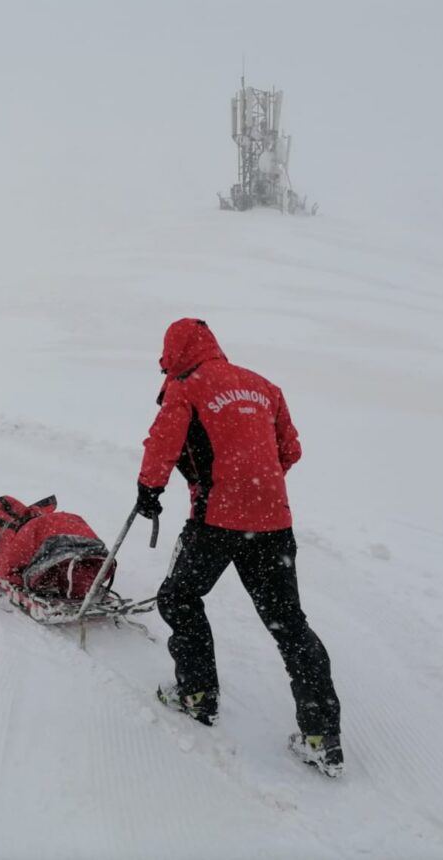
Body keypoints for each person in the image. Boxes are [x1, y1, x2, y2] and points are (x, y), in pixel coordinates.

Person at [134, 318, 344, 776]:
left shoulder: (185, 387)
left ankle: (197, 695)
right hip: (274, 521)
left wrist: (149, 491)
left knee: (180, 597)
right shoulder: (264, 386)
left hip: (216, 522)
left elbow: (162, 445)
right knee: (289, 622)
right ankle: (321, 735)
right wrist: (257, 489)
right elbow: (291, 451)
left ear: (175, 352)